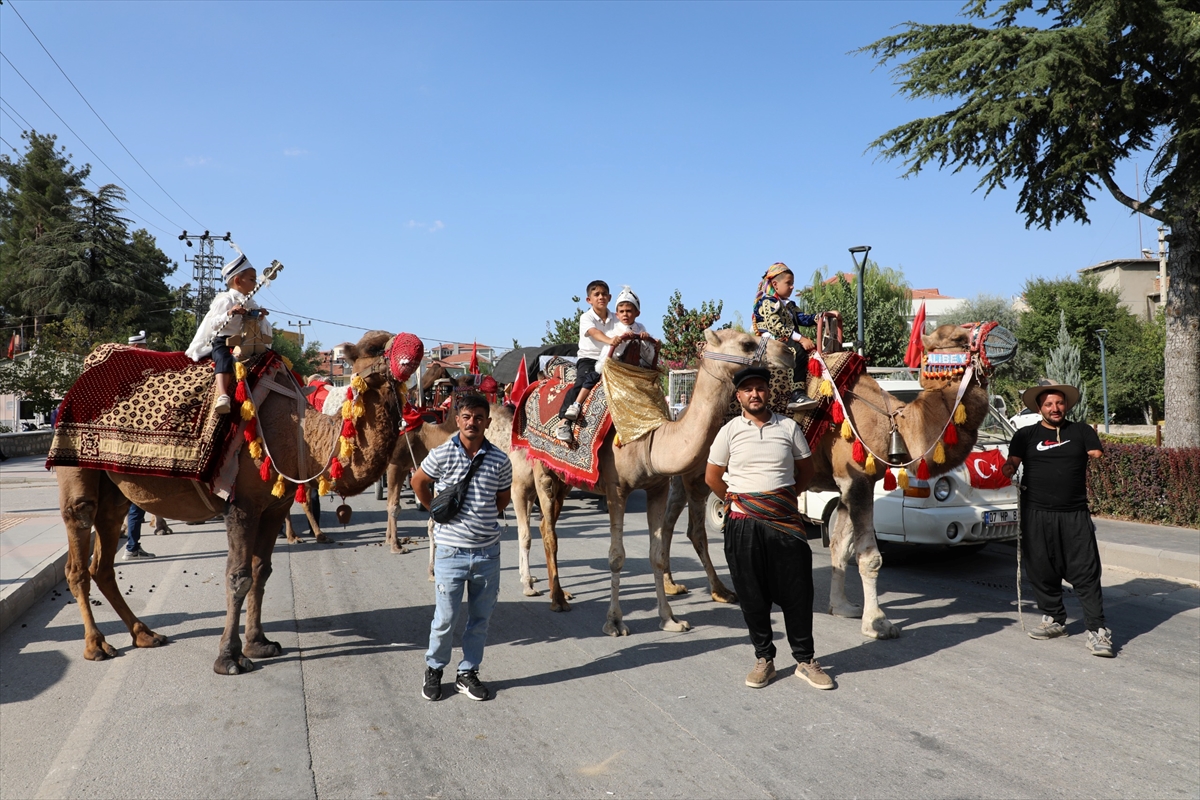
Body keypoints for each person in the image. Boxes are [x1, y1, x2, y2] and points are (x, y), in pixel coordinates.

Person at [705, 366, 833, 690]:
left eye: (760, 388)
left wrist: (780, 501)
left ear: (768, 392)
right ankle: (764, 658)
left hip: (785, 521)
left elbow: (806, 470)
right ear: (738, 396)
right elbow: (712, 477)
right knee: (751, 594)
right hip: (742, 523)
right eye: (748, 389)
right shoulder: (729, 431)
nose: (754, 394)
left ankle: (805, 660)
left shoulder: (788, 427)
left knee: (798, 591)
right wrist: (740, 501)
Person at [411, 394, 512, 701]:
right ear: (457, 420)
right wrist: (435, 511)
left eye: (479, 417)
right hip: (450, 552)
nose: (472, 423)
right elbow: (418, 482)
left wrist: (482, 518)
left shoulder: (500, 460)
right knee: (445, 619)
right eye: (466, 417)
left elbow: (503, 498)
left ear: (487, 422)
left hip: (487, 554)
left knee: (480, 620)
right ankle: (434, 669)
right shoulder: (442, 454)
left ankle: (467, 673)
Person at [1002, 380, 1113, 657]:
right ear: (1039, 408)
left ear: (1066, 406)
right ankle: (1054, 619)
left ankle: (1097, 630)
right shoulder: (1025, 435)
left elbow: (1097, 453)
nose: (1055, 408)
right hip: (1036, 513)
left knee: (1086, 571)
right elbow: (1012, 463)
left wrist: (1096, 453)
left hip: (1074, 513)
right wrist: (1006, 468)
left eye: (1060, 403)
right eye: (1049, 404)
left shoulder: (1081, 431)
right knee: (1041, 569)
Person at [185, 251, 271, 415]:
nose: (255, 283)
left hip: (246, 341)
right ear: (238, 280)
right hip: (223, 341)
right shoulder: (225, 300)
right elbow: (214, 323)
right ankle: (223, 396)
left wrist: (259, 316)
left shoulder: (250, 302)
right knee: (223, 359)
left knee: (270, 356)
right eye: (252, 279)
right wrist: (230, 313)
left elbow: (252, 322)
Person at [751, 262, 839, 413]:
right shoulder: (767, 302)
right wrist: (801, 339)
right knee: (796, 350)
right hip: (771, 341)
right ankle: (797, 394)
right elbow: (776, 327)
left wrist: (823, 317)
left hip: (786, 338)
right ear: (775, 284)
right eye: (788, 283)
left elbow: (804, 318)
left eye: (793, 283)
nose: (792, 287)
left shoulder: (789, 305)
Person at [557, 280, 620, 442]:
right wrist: (610, 340)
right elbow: (594, 332)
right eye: (596, 294)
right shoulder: (586, 317)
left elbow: (629, 328)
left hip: (611, 359)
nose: (601, 297)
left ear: (610, 297)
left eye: (604, 294)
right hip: (590, 359)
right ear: (588, 300)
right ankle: (564, 421)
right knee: (582, 382)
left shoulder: (617, 318)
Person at [606, 285, 656, 368]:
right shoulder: (613, 329)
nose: (625, 314)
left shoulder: (640, 328)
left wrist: (646, 340)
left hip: (637, 369)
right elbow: (610, 355)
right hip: (618, 369)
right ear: (617, 315)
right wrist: (623, 340)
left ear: (637, 313)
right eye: (621, 311)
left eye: (628, 311)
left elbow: (648, 357)